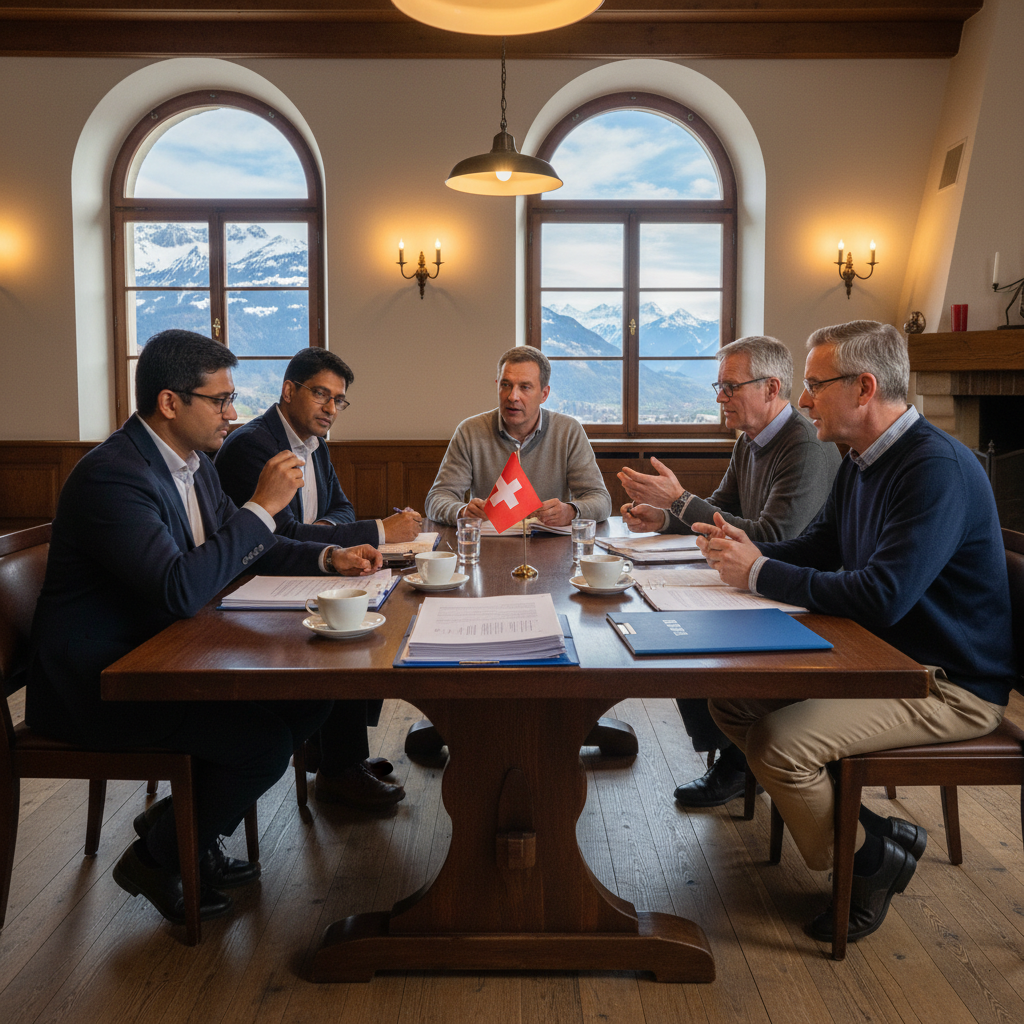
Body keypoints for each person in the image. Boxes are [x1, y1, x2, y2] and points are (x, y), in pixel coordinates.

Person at [25, 329, 383, 927]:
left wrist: (328, 558)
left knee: (313, 697)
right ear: (170, 403)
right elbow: (181, 587)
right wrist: (262, 507)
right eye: (219, 400)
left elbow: (248, 551)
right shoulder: (114, 476)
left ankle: (182, 825)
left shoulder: (194, 465)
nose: (233, 413)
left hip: (165, 655)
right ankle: (155, 856)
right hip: (103, 681)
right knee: (262, 743)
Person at [696, 320, 1014, 942]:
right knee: (730, 700)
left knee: (779, 745)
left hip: (947, 683)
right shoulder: (864, 460)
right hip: (885, 660)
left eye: (815, 385)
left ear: (865, 387)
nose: (805, 399)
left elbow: (883, 595)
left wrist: (759, 575)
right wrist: (750, 550)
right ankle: (873, 834)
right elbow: (820, 546)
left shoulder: (934, 468)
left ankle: (870, 862)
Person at [618, 336, 841, 808]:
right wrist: (662, 518)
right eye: (717, 386)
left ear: (771, 387)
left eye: (729, 387)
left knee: (688, 638)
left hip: (803, 597)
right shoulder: (750, 441)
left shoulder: (805, 445)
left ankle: (739, 764)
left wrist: (677, 500)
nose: (719, 398)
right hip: (762, 583)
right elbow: (722, 509)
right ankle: (736, 756)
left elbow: (775, 535)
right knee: (672, 629)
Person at [215, 347, 413, 808]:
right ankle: (338, 767)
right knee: (344, 634)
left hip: (301, 571)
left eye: (339, 400)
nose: (330, 408)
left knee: (371, 614)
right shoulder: (253, 445)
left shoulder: (315, 446)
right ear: (289, 390)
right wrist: (367, 534)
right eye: (321, 394)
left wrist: (321, 533)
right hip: (252, 583)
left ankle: (334, 752)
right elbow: (273, 534)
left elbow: (339, 507)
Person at [424, 346, 611, 526]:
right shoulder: (470, 431)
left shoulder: (568, 431)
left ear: (544, 394)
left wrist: (571, 511)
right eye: (506, 385)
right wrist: (462, 512)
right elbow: (437, 499)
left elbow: (600, 500)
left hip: (550, 547)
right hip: (490, 547)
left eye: (525, 387)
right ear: (497, 386)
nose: (513, 396)